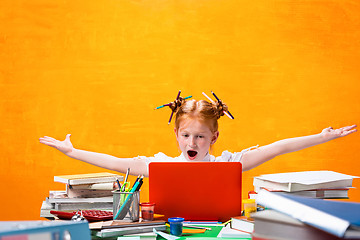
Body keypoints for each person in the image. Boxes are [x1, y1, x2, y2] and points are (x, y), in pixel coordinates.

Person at [39, 95, 357, 177]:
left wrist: (322, 137)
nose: (193, 144)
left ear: (214, 138)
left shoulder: (229, 164)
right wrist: (72, 152)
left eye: (201, 138)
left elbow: (278, 148)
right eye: (187, 136)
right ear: (176, 134)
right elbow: (115, 163)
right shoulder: (160, 165)